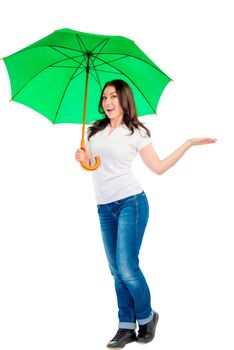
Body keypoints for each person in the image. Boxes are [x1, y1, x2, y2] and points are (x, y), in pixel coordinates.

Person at [75, 79, 216, 348]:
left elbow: (159, 167)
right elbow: (94, 166)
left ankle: (147, 316)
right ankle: (126, 326)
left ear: (124, 100)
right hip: (104, 207)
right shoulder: (94, 132)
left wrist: (187, 143)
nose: (108, 102)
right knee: (116, 270)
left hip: (132, 203)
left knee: (127, 267)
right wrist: (83, 159)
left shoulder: (136, 133)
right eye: (104, 97)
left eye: (114, 97)